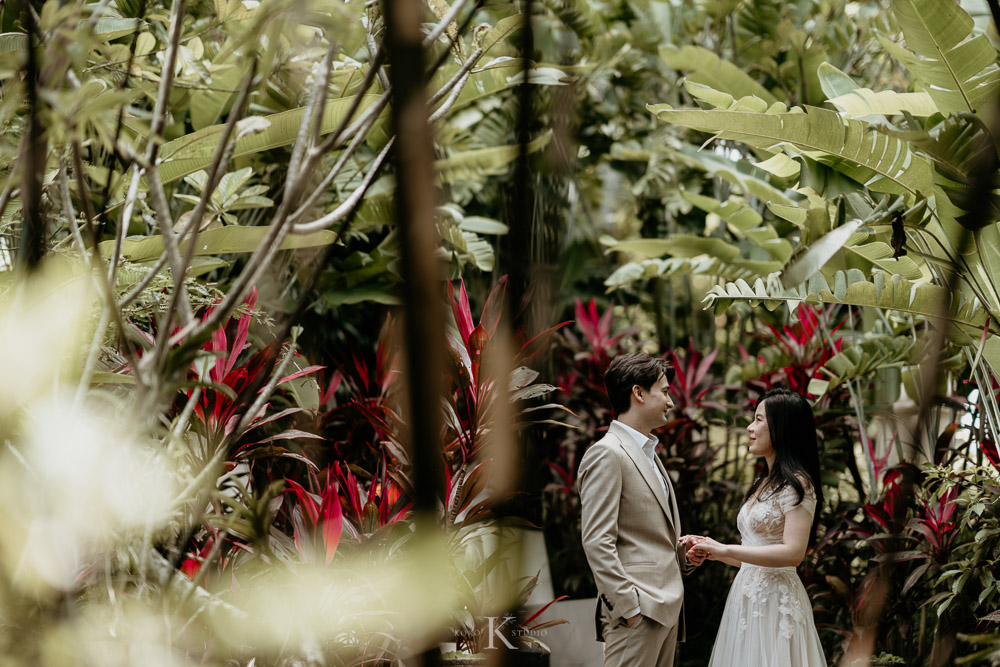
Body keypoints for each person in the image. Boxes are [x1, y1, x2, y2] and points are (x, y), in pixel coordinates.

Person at [579, 352, 705, 667]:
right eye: (664, 391)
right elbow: (597, 540)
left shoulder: (650, 453)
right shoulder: (607, 454)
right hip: (638, 615)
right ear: (638, 393)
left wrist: (683, 555)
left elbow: (643, 535)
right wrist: (630, 609)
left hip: (665, 613)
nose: (671, 402)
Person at [689, 388, 827, 667]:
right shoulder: (763, 482)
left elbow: (793, 553)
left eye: (759, 420)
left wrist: (725, 547)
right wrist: (711, 549)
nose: (750, 428)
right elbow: (753, 555)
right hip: (745, 599)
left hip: (777, 602)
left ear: (782, 427)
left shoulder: (799, 485)